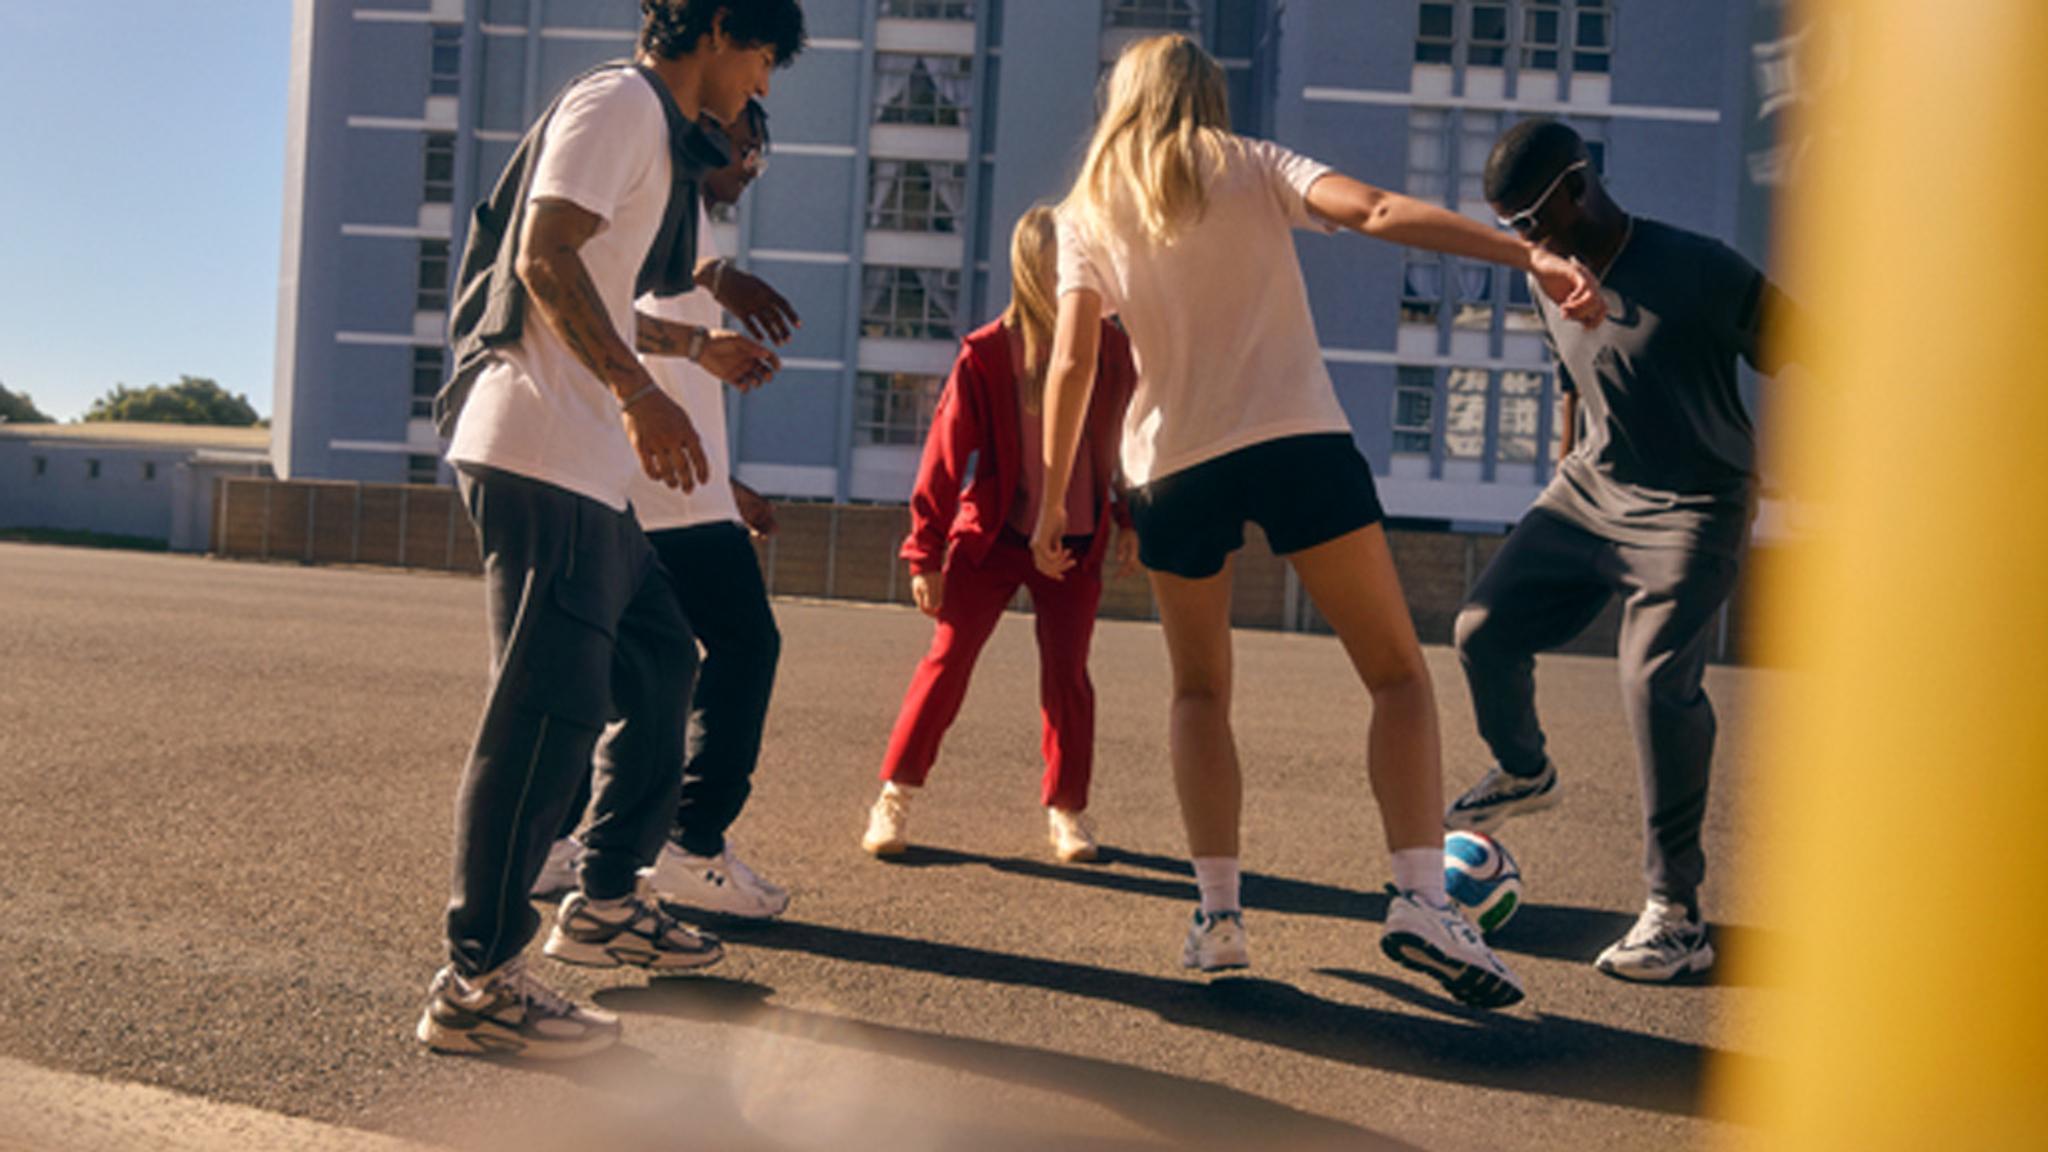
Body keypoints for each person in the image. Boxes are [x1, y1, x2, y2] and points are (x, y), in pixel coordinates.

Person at [1030, 36, 1603, 1009]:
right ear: (1205, 97)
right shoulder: (1251, 163)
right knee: (1392, 672)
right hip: (1293, 437)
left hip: (1169, 464)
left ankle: (1216, 917)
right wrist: (1524, 252)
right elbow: (1378, 211)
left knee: (1198, 691)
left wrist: (1052, 499)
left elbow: (1073, 362)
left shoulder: (1086, 211)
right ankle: (1422, 898)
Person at [416, 0, 806, 1060]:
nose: (762, 85)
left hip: (587, 470)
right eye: (765, 56)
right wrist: (639, 392)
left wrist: (693, 350)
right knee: (547, 713)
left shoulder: (646, 128)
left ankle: (602, 899)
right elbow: (541, 261)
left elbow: (590, 285)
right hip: (541, 448)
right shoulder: (619, 101)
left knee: (659, 664)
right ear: (720, 26)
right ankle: (478, 980)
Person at [1445, 118, 1790, 983]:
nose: (1527, 240)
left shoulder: (1700, 267)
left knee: (1651, 682)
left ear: (1577, 184)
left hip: (1693, 505)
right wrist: (1563, 473)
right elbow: (1575, 381)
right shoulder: (1545, 274)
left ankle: (1676, 915)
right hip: (1588, 492)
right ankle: (1526, 771)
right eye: (1512, 228)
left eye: (1532, 219)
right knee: (1480, 632)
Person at [531, 98, 799, 923]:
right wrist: (716, 299)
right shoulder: (664, 194)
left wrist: (728, 483)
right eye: (750, 147)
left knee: (620, 668)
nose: (753, 168)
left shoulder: (680, 210)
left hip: (676, 482)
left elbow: (670, 337)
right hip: (655, 486)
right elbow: (615, 300)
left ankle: (554, 843)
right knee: (739, 647)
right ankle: (688, 844)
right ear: (713, 131)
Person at [861, 206, 1140, 865]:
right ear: (1030, 270)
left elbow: (1127, 440)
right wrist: (923, 551)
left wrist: (1129, 517)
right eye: (1059, 269)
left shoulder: (1114, 348)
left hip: (1076, 544)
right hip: (993, 540)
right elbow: (944, 455)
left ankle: (1067, 813)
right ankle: (893, 798)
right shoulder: (986, 354)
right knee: (947, 662)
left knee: (1068, 676)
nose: (1073, 281)